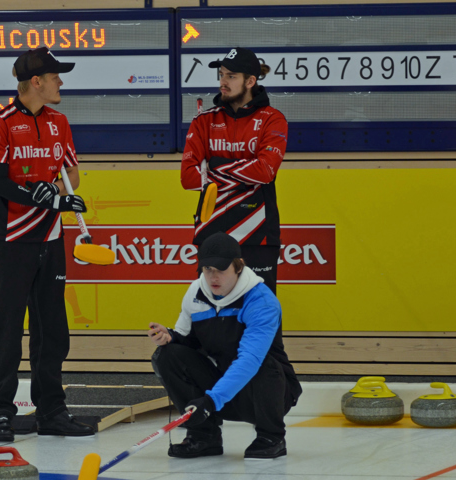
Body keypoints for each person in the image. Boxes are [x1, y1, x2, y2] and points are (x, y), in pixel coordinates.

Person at [0, 47, 93, 442]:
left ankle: (51, 411)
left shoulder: (60, 122)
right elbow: (1, 183)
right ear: (36, 82)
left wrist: (57, 193)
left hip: (50, 238)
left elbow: (73, 176)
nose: (61, 82)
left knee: (52, 331)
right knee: (8, 329)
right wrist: (44, 195)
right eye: (55, 76)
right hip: (11, 240)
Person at [148, 232, 302, 459]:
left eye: (221, 269)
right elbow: (188, 341)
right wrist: (171, 337)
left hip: (266, 394)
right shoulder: (195, 292)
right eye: (207, 269)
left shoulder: (261, 301)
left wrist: (210, 401)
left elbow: (250, 360)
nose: (213, 277)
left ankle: (272, 436)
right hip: (220, 387)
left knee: (261, 363)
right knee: (167, 355)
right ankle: (203, 437)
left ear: (239, 267)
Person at [181, 47, 287, 294]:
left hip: (258, 232)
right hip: (212, 232)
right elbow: (188, 177)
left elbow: (265, 171)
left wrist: (215, 166)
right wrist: (242, 174)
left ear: (251, 81)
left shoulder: (273, 119)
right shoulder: (203, 121)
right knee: (212, 314)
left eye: (231, 76)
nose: (223, 82)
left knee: (259, 311)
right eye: (221, 74)